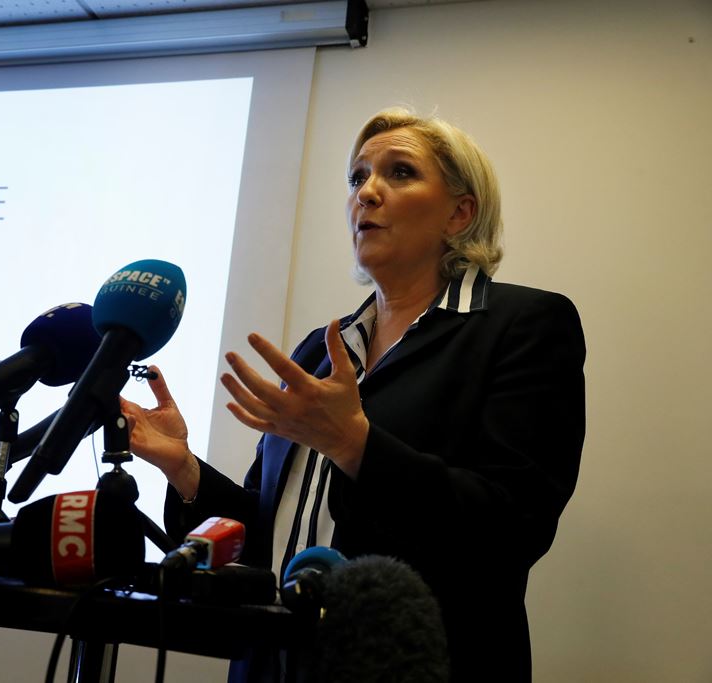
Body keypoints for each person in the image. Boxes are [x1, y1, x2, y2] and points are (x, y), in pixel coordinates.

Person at [120, 107, 585, 682]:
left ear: (460, 213)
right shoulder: (323, 349)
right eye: (357, 177)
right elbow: (271, 531)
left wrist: (357, 445)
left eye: (400, 172)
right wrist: (185, 469)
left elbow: (512, 527)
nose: (366, 193)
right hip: (279, 664)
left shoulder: (523, 326)